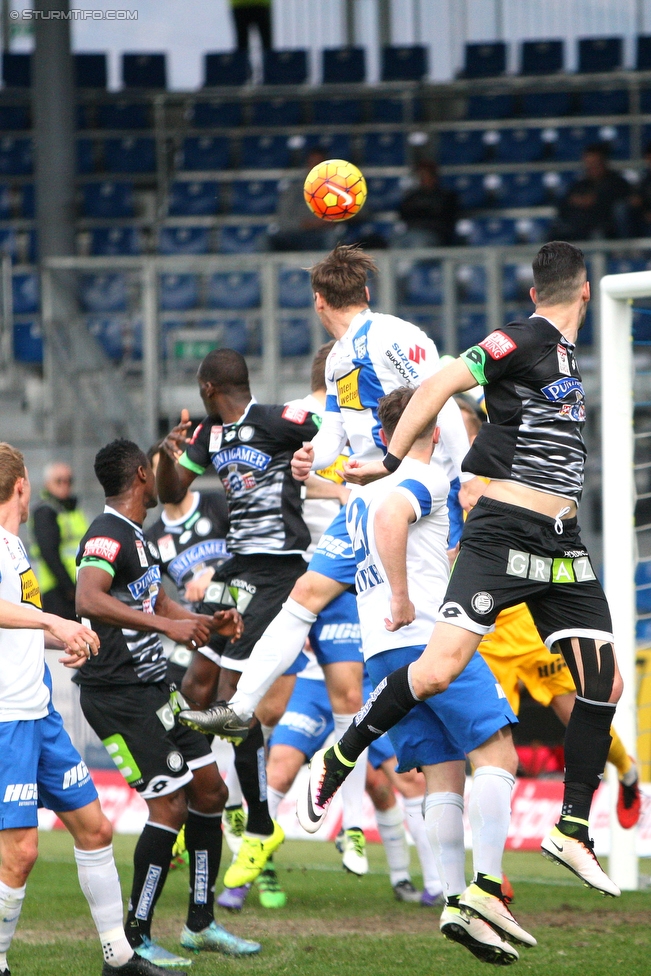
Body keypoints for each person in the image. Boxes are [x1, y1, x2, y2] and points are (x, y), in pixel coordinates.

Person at [307, 241, 623, 899]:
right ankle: (344, 753)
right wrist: (396, 459)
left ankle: (569, 827)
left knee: (606, 683)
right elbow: (446, 375)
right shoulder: (525, 337)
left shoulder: (561, 355)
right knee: (437, 670)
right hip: (506, 531)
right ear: (584, 291)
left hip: (560, 543)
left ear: (540, 289)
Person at [178, 245, 477, 749]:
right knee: (303, 596)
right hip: (365, 499)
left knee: (423, 630)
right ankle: (240, 708)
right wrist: (308, 458)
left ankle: (454, 735)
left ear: (318, 302)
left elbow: (438, 397)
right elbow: (335, 437)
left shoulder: (391, 335)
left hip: (417, 494)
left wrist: (468, 473)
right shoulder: (339, 360)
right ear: (362, 291)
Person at [298, 387, 534, 962]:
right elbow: (393, 518)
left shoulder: (361, 490)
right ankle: (487, 889)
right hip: (429, 639)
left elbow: (366, 505)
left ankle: (455, 900)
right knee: (499, 755)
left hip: (381, 649)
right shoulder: (421, 477)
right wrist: (404, 595)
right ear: (430, 428)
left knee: (442, 774)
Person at [74, 439, 259, 969]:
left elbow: (159, 603)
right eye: (156, 471)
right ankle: (135, 935)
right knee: (170, 805)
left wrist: (206, 619)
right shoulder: (106, 534)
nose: (164, 479)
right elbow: (89, 598)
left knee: (211, 790)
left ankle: (200, 924)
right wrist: (169, 625)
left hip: (156, 690)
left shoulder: (140, 539)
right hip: (118, 695)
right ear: (139, 475)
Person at [0, 442, 173, 976]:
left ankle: (118, 958)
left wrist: (61, 640)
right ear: (22, 486)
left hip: (41, 714)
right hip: (6, 720)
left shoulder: (15, 546)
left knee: (95, 829)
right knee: (21, 853)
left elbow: (18, 624)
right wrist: (54, 623)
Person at [156, 348, 321, 893]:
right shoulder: (205, 437)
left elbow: (326, 427)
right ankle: (189, 799)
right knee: (193, 687)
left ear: (208, 388)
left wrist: (312, 459)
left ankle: (260, 826)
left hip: (278, 570)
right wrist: (167, 454)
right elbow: (171, 493)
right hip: (234, 565)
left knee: (232, 695)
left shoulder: (276, 419)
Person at [455, 388, 641, 829]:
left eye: (460, 430)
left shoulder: (507, 473)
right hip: (487, 637)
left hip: (531, 625)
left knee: (579, 711)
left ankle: (628, 771)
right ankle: (489, 870)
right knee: (487, 749)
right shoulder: (443, 483)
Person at [267, 653, 444, 905]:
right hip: (310, 682)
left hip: (364, 681)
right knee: (279, 773)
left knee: (393, 783)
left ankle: (423, 883)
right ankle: (257, 868)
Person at [30, 461, 88, 620]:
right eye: (59, 481)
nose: (65, 485)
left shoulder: (71, 509)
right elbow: (49, 553)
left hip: (78, 587)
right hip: (59, 591)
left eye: (69, 480)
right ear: (47, 483)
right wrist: (70, 588)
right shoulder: (45, 511)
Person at [551, 143, 631, 241]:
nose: (591, 166)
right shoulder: (579, 185)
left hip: (606, 231)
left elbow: (616, 205)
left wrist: (591, 201)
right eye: (588, 163)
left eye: (595, 162)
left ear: (604, 161)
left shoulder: (617, 182)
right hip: (577, 230)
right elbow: (564, 205)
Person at [269, 149, 342, 253]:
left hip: (323, 234)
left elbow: (361, 212)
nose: (315, 168)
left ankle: (328, 268)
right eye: (312, 163)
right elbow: (283, 221)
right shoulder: (294, 189)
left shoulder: (341, 186)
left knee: (332, 237)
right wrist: (309, 224)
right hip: (295, 235)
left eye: (320, 164)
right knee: (265, 239)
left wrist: (336, 219)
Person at [396, 160, 459, 248]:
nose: (422, 178)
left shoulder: (446, 196)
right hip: (411, 232)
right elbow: (403, 214)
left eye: (425, 175)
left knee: (418, 243)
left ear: (434, 176)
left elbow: (445, 217)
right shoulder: (412, 196)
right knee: (396, 241)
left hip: (435, 235)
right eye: (420, 176)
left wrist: (421, 211)